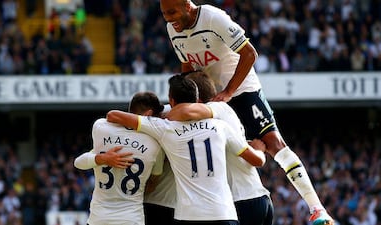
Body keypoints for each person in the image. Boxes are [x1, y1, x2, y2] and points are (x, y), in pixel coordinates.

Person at [159, 1, 334, 225]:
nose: (168, 18)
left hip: (241, 90)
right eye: (164, 14)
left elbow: (250, 54)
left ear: (186, 6)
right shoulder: (173, 28)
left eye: (171, 12)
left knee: (273, 143)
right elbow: (187, 65)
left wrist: (230, 91)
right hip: (211, 97)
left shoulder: (213, 18)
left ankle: (317, 209)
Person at [106, 74, 267, 225]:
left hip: (188, 214)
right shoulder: (220, 125)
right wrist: (260, 150)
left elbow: (113, 115)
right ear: (197, 99)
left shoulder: (165, 128)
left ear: (171, 101)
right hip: (223, 212)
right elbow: (257, 160)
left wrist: (151, 119)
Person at [166, 71, 273, 225]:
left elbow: (183, 111)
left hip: (242, 200)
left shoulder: (217, 108)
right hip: (256, 197)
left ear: (198, 99)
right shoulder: (222, 113)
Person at [73, 91, 166, 225]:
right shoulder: (155, 143)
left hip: (99, 218)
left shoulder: (101, 127)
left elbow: (78, 162)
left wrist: (103, 159)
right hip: (131, 218)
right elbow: (153, 181)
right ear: (148, 115)